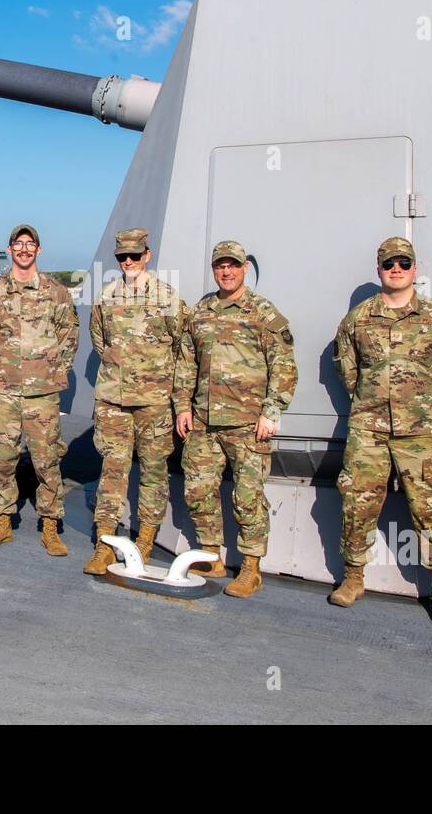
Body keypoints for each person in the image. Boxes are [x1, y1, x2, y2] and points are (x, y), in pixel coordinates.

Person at [331, 237, 432, 626]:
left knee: (431, 510)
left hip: (422, 432)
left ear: (415, 269)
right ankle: (353, 578)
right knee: (357, 504)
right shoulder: (358, 318)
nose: (397, 269)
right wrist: (370, 402)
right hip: (369, 429)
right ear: (379, 270)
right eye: (390, 264)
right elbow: (347, 369)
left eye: (404, 263)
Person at [174, 240, 297, 598]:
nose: (226, 271)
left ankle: (250, 567)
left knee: (247, 498)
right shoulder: (201, 311)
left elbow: (284, 366)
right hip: (203, 421)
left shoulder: (262, 312)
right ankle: (211, 554)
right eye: (219, 266)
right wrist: (183, 406)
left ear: (245, 268)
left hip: (247, 424)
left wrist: (271, 411)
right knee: (198, 490)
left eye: (232, 265)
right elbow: (186, 363)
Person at [84, 228, 188, 575]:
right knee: (112, 470)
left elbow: (182, 346)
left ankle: (145, 538)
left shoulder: (168, 297)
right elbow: (100, 341)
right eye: (121, 257)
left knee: (154, 472)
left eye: (134, 255)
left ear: (147, 255)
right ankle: (105, 542)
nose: (127, 262)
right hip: (114, 400)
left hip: (155, 403)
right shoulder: (106, 296)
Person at [0, 225, 80, 556]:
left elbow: (69, 333)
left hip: (43, 393)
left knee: (47, 460)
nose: (24, 249)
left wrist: (54, 371)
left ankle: (50, 525)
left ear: (38, 250)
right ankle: (3, 522)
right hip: (4, 393)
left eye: (29, 244)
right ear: (9, 249)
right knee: (2, 457)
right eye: (18, 244)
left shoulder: (55, 292)